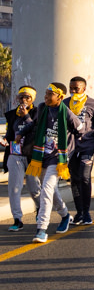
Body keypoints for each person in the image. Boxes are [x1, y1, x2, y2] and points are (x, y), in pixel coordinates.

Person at [23, 83, 84, 243]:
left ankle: (41, 229)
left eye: (50, 94)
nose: (46, 96)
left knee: (46, 191)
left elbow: (80, 128)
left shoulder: (67, 113)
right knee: (49, 190)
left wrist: (68, 146)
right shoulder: (42, 108)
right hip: (41, 156)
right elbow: (33, 124)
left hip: (57, 160)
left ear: (60, 97)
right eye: (46, 93)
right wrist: (20, 133)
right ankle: (65, 215)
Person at [64, 76, 94, 226]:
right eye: (71, 88)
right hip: (70, 147)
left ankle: (87, 212)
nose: (74, 91)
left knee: (84, 177)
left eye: (77, 88)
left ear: (84, 88)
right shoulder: (65, 103)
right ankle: (79, 212)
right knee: (74, 179)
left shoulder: (93, 104)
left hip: (87, 145)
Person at [2, 86, 40, 232]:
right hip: (15, 154)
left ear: (33, 99)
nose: (23, 100)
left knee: (34, 188)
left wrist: (26, 116)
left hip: (31, 155)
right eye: (21, 97)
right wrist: (5, 139)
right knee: (14, 188)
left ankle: (39, 208)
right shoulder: (11, 114)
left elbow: (36, 130)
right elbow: (10, 132)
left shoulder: (38, 112)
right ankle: (17, 219)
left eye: (27, 97)